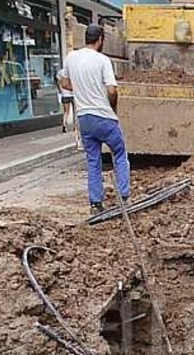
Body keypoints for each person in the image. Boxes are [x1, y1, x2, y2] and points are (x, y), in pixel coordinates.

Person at [60, 24, 130, 216]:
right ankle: (124, 197)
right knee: (120, 153)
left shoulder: (71, 57)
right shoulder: (103, 60)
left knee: (93, 160)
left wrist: (82, 91)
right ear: (100, 40)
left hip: (84, 118)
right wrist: (113, 108)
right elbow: (112, 89)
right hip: (104, 116)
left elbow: (64, 82)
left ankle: (95, 204)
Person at [57, 66, 76, 134]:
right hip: (73, 94)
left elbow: (59, 83)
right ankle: (75, 126)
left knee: (66, 111)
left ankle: (64, 124)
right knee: (75, 111)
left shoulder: (60, 72)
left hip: (64, 94)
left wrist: (60, 91)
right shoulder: (73, 71)